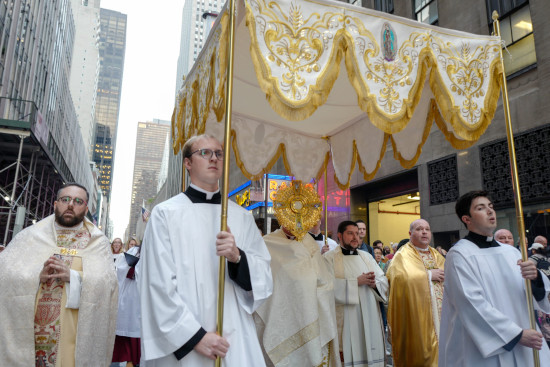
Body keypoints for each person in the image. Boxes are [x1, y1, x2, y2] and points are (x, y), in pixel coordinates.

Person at [138, 134, 273, 366]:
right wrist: (195, 338)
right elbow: (156, 284)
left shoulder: (242, 216)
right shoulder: (165, 214)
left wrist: (237, 258)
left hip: (234, 336)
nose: (214, 159)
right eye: (205, 153)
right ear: (188, 163)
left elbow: (264, 277)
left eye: (219, 154)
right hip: (185, 341)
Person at [0, 182, 118, 366]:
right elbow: (5, 274)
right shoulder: (31, 236)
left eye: (78, 201)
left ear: (86, 208)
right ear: (56, 204)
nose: (71, 204)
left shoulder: (97, 242)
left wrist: (73, 277)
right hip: (30, 333)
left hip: (72, 332)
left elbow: (108, 286)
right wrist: (35, 276)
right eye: (66, 199)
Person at [439, 190, 550, 366]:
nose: (490, 211)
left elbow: (526, 293)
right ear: (466, 219)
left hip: (525, 341)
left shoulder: (511, 252)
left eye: (491, 207)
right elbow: (470, 303)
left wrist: (535, 278)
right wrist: (515, 334)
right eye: (481, 208)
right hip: (485, 348)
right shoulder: (460, 254)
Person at [255, 184, 340, 367]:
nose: (295, 223)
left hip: (311, 309)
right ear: (283, 216)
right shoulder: (267, 243)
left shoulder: (309, 243)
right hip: (280, 311)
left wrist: (315, 290)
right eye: (292, 217)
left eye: (300, 218)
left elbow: (324, 280)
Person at [324, 221, 388, 366]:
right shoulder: (328, 258)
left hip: (370, 314)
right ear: (340, 235)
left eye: (357, 234)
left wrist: (375, 284)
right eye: (350, 233)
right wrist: (355, 282)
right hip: (346, 319)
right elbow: (324, 288)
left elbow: (383, 280)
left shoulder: (367, 256)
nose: (355, 237)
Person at [386, 219, 445, 367]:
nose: (424, 232)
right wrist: (428, 275)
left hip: (442, 316)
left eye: (427, 229)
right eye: (419, 229)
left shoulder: (437, 254)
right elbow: (400, 279)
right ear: (410, 233)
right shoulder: (402, 255)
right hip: (417, 315)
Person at [112, 243, 141, 367]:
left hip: (140, 300)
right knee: (126, 341)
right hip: (127, 298)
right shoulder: (133, 251)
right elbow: (119, 269)